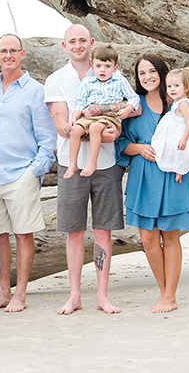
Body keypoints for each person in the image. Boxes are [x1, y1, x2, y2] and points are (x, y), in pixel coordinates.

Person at [44, 24, 133, 315]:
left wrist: (113, 130)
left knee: (103, 231)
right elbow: (62, 124)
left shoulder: (112, 73)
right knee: (74, 231)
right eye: (72, 41)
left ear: (91, 42)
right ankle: (74, 295)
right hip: (73, 163)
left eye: (83, 40)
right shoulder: (57, 80)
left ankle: (102, 295)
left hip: (107, 163)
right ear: (64, 46)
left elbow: (133, 106)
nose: (78, 45)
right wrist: (96, 125)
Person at [116, 53, 189, 313]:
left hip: (173, 176)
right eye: (142, 73)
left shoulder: (179, 103)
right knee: (147, 240)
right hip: (143, 178)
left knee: (170, 237)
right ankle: (163, 290)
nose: (147, 77)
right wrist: (138, 148)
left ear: (162, 73)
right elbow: (120, 142)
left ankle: (169, 296)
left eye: (152, 71)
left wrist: (181, 156)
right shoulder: (133, 107)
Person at [0, 34, 56, 313]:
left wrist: (33, 172)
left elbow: (47, 139)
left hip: (21, 174)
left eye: (13, 50)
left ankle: (21, 294)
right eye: (3, 51)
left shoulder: (35, 91)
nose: (8, 55)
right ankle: (3, 292)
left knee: (24, 235)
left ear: (22, 54)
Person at [64, 44, 139, 179]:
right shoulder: (88, 82)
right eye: (98, 66)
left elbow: (134, 97)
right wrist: (74, 117)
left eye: (107, 66)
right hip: (90, 117)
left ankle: (92, 162)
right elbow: (80, 101)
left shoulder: (120, 82)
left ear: (115, 68)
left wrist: (127, 110)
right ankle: (72, 164)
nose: (102, 70)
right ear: (92, 67)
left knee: (95, 127)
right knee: (75, 130)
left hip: (109, 118)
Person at [151, 67, 189, 189]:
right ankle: (179, 171)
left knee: (188, 158)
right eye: (169, 86)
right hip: (177, 131)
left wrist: (185, 138)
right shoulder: (182, 101)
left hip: (183, 133)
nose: (172, 89)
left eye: (176, 86)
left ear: (186, 88)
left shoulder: (183, 103)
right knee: (177, 153)